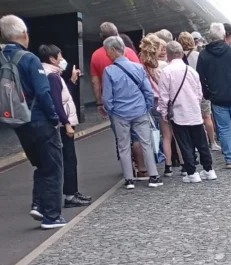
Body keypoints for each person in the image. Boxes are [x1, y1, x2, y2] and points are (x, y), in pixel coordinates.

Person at [1, 15, 66, 228]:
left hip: (18, 121)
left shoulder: (2, 58)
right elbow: (43, 91)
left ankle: (38, 204)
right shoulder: (29, 59)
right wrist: (55, 117)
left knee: (40, 164)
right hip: (39, 119)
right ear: (24, 34)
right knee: (53, 166)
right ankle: (52, 215)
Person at [101, 35, 161, 189]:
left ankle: (129, 179)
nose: (106, 54)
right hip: (140, 111)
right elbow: (148, 91)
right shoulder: (138, 67)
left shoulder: (108, 71)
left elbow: (107, 98)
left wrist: (112, 111)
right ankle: (153, 176)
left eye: (107, 51)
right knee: (146, 143)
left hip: (120, 114)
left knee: (124, 146)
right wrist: (146, 106)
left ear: (114, 50)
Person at [39, 44, 92, 208]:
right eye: (60, 58)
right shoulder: (52, 76)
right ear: (52, 59)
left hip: (60, 124)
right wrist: (67, 123)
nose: (63, 61)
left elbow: (61, 97)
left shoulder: (51, 74)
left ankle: (72, 192)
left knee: (67, 159)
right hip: (62, 126)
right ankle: (70, 195)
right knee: (69, 159)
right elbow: (56, 103)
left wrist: (72, 81)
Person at [196, 23, 231, 169]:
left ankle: (230, 159)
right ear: (223, 35)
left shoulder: (203, 55)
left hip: (217, 99)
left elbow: (200, 78)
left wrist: (208, 93)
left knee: (224, 129)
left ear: (210, 36)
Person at [158, 42, 215, 183]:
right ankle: (209, 170)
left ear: (169, 55)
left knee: (185, 144)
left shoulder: (167, 71)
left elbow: (164, 95)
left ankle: (192, 173)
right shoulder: (191, 70)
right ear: (182, 54)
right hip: (194, 111)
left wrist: (164, 112)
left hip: (178, 113)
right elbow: (199, 92)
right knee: (201, 142)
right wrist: (194, 103)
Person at [140, 34, 179, 175]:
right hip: (162, 102)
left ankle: (156, 167)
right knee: (169, 135)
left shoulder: (142, 65)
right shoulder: (162, 66)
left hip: (148, 103)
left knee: (150, 135)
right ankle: (175, 165)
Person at [89, 21, 140, 120]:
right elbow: (141, 75)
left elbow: (95, 82)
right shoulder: (129, 51)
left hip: (113, 102)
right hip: (134, 99)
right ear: (117, 34)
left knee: (121, 134)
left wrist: (99, 103)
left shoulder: (95, 55)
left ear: (101, 36)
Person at [183, 31, 219, 151]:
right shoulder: (198, 55)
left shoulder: (178, 57)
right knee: (207, 117)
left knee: (193, 119)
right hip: (201, 89)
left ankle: (197, 144)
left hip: (187, 93)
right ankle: (212, 142)